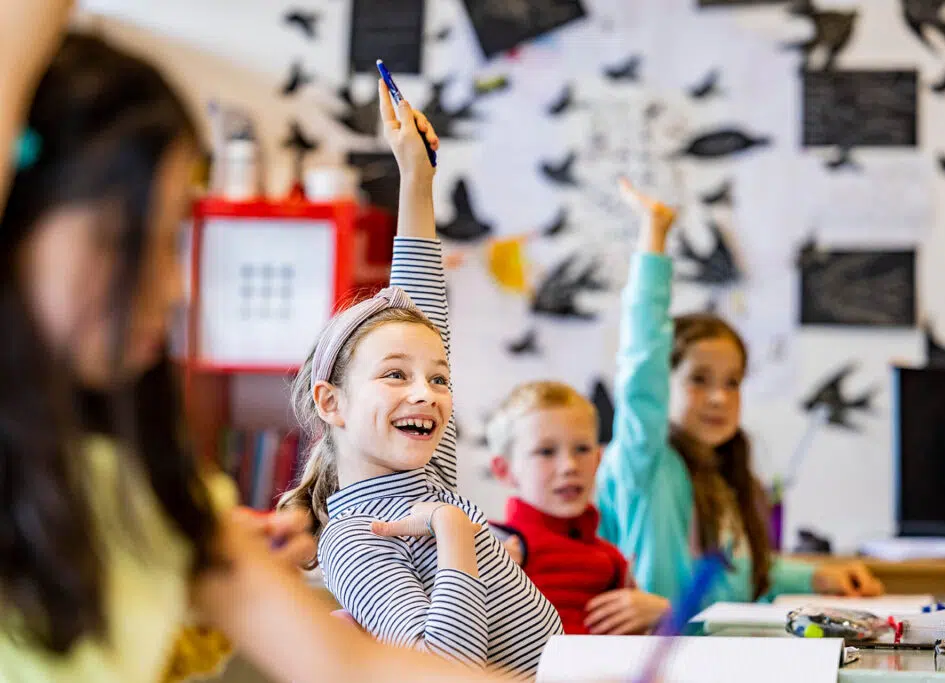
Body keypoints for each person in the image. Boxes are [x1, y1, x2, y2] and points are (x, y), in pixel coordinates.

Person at [0, 9, 533, 683]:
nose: (173, 287)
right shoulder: (362, 533)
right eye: (123, 241)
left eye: (173, 242)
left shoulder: (158, 491)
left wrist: (416, 183)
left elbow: (352, 667)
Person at [277, 79, 562, 678]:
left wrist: (417, 176)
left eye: (438, 378)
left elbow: (419, 305)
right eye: (395, 375)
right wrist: (452, 531)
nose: (425, 393)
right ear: (333, 403)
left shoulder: (424, 475)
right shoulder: (355, 540)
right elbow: (444, 669)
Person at [596, 179, 884, 606]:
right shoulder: (645, 462)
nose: (719, 398)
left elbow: (741, 575)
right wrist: (654, 234)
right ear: (664, 382)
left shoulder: (724, 475)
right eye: (699, 380)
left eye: (732, 382)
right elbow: (641, 364)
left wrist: (818, 577)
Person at [488, 380, 671, 636]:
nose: (569, 466)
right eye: (546, 451)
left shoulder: (614, 560)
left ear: (598, 459)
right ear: (504, 470)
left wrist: (662, 614)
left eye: (582, 449)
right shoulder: (491, 548)